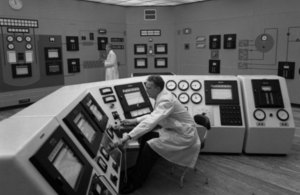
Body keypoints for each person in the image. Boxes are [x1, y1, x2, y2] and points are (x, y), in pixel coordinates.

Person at [113, 75, 201, 194]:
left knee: (150, 147)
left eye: (148, 88)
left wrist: (129, 136)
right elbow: (154, 114)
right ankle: (137, 168)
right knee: (147, 136)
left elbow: (151, 121)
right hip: (176, 129)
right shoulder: (162, 96)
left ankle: (136, 182)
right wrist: (134, 120)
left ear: (157, 88)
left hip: (184, 135)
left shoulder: (166, 100)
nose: (146, 90)